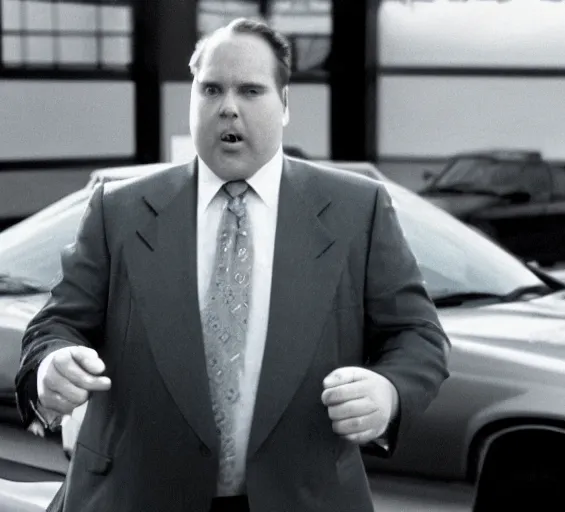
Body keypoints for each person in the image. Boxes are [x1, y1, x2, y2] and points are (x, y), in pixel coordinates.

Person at [15, 18, 450, 512]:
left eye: (250, 90)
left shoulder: (357, 209)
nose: (228, 107)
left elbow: (419, 336)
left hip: (302, 498)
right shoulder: (118, 210)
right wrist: (51, 366)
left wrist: (390, 391)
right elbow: (58, 324)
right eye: (211, 89)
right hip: (135, 495)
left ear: (285, 105)